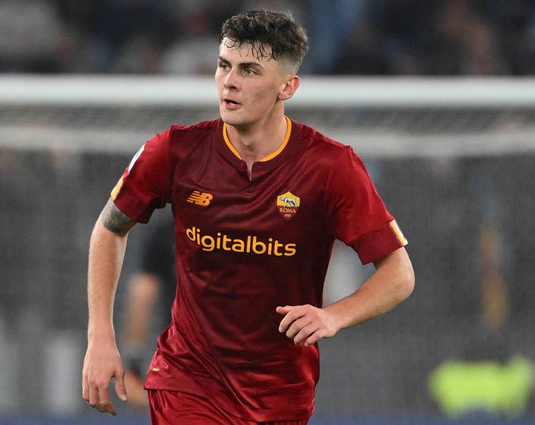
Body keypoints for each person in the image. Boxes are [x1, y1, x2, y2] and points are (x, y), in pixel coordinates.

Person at [82, 10, 415, 424]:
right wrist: (100, 337)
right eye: (224, 65)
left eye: (249, 70)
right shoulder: (174, 151)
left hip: (282, 393)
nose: (230, 81)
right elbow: (109, 229)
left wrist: (334, 315)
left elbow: (399, 273)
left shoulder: (331, 167)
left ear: (287, 87)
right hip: (188, 384)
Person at [120, 216, 176, 408]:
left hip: (182, 359)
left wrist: (134, 365)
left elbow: (141, 294)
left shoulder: (169, 233)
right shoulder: (244, 230)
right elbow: (142, 294)